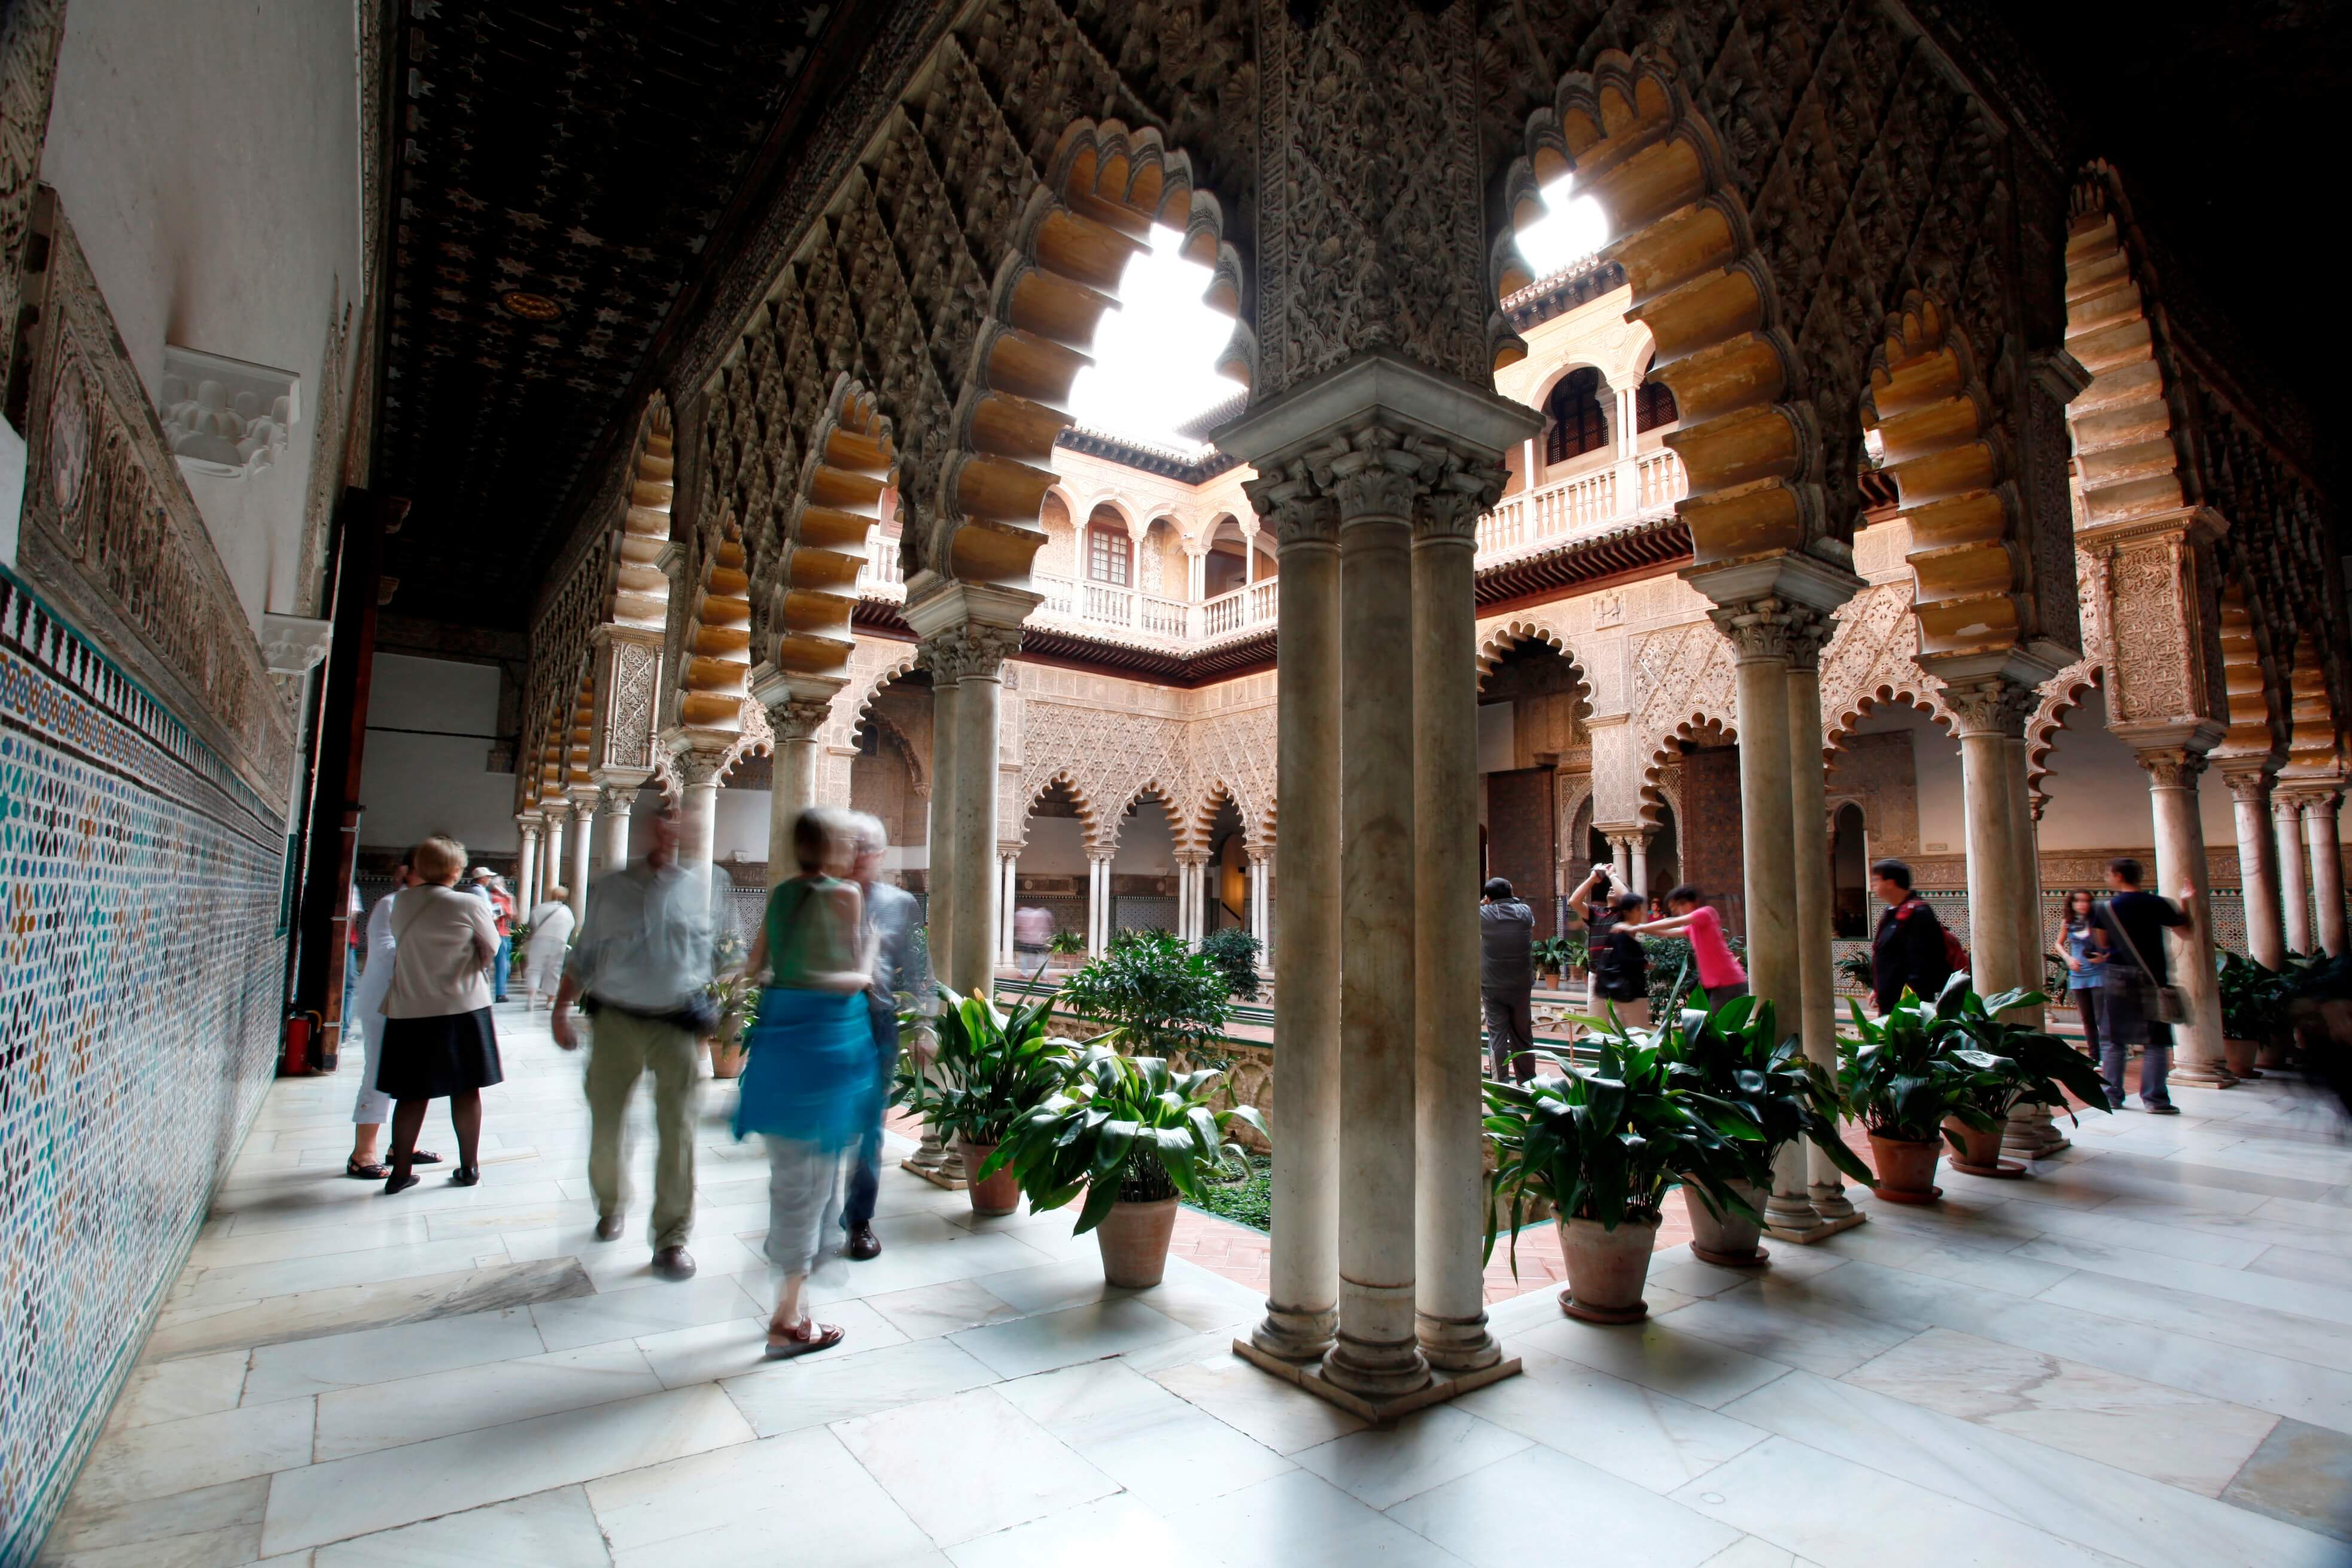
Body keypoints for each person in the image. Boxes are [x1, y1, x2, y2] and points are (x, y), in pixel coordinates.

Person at [734, 806, 875, 1357]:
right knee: (810, 1190)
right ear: (834, 846)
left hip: (780, 1045)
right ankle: (786, 1321)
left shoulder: (782, 895)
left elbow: (754, 967)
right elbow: (843, 979)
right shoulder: (844, 896)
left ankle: (798, 1304)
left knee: (793, 1180)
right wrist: (867, 958)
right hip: (823, 1052)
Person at [552, 808, 714, 1280]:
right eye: (664, 824)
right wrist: (561, 1008)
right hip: (615, 1018)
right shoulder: (612, 888)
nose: (672, 833)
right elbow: (584, 956)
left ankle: (672, 1237)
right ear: (650, 830)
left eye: (681, 827)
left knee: (678, 1130)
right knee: (608, 1122)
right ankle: (610, 1201)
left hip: (676, 1021)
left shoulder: (700, 887)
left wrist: (717, 1011)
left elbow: (715, 955)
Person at [377, 835, 504, 1195]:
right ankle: (469, 1167)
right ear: (455, 870)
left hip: (409, 1007)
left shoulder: (401, 902)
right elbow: (491, 947)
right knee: (466, 1090)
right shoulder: (467, 903)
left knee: (411, 1093)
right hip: (461, 1008)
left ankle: (400, 1172)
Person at [842, 812, 921, 1261]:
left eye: (864, 848)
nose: (857, 856)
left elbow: (917, 968)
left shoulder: (901, 903)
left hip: (878, 1023)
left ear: (879, 855)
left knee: (870, 1126)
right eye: (849, 846)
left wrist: (924, 1025)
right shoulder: (821, 898)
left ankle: (859, 1220)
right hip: (829, 1020)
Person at [346, 859, 445, 1179]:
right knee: (379, 1070)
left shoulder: (433, 906)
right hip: (386, 998)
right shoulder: (392, 904)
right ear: (409, 872)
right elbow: (388, 951)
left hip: (420, 999)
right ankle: (362, 1153)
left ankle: (403, 1146)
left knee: (416, 1074)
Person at [2092, 857, 2190, 1115]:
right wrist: (2186, 902)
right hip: (2152, 976)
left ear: (2118, 876)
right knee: (2156, 1041)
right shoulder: (2157, 903)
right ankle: (2155, 1100)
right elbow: (2186, 931)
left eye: (2108, 873)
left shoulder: (2105, 908)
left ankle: (2112, 1096)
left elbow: (2102, 944)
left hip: (2118, 977)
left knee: (2114, 1040)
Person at [1621, 884, 1747, 1004]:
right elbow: (1667, 932)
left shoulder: (1706, 913)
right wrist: (1637, 927)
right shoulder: (1693, 927)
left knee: (1712, 1025)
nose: (1678, 911)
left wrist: (1638, 927)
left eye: (1679, 905)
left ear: (1693, 902)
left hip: (1728, 981)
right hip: (1717, 984)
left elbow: (1673, 923)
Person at [1867, 858, 1954, 1013]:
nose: (1872, 885)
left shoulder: (1919, 913)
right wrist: (1879, 988)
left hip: (1909, 1007)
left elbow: (1923, 963)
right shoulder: (1892, 912)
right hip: (1891, 1000)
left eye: (1876, 880)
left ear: (1890, 883)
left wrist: (1912, 1000)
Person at [1480, 876, 1537, 1082]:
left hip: (1492, 985)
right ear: (1511, 892)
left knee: (1497, 1037)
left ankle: (1501, 1085)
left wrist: (1484, 903)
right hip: (1521, 985)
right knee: (1523, 1036)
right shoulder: (1525, 912)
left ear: (1488, 897)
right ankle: (1528, 1081)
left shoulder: (1483, 915)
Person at [1587, 891, 1651, 1028]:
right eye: (1638, 909)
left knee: (1620, 1033)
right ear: (1628, 912)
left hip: (1619, 994)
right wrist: (1645, 964)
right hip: (1630, 995)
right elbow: (1625, 961)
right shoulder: (1622, 935)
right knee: (1638, 1035)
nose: (1641, 913)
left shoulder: (1619, 932)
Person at [2053, 888, 2104, 1058]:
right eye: (2079, 901)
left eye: (2086, 901)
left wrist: (2102, 957)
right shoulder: (2068, 922)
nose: (2082, 905)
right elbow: (2058, 944)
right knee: (2087, 1019)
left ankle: (2107, 1056)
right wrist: (2068, 958)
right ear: (2072, 904)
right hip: (2078, 975)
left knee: (2101, 1018)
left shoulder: (2097, 921)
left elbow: (2110, 947)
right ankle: (2095, 1056)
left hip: (2097, 974)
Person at [523, 885, 576, 1009]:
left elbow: (531, 927)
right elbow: (571, 927)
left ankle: (531, 999)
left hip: (539, 942)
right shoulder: (567, 912)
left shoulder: (539, 909)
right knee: (554, 971)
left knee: (535, 969)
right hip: (559, 943)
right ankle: (550, 1002)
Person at [472, 867, 516, 1002]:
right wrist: (509, 900)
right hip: (500, 933)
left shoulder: (484, 894)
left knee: (485, 964)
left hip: (488, 933)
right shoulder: (495, 897)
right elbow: (511, 915)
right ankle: (500, 993)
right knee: (502, 966)